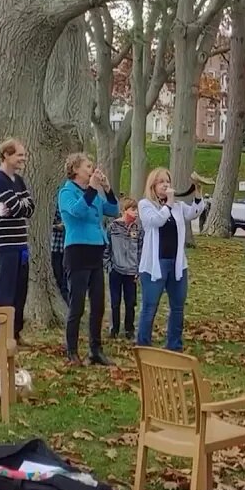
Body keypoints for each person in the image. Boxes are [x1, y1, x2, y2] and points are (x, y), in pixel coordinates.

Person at [57, 153, 120, 366]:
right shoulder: (67, 192)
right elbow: (77, 213)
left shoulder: (92, 194)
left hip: (95, 252)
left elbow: (113, 210)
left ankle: (96, 349)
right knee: (77, 305)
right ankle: (72, 350)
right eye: (87, 166)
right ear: (75, 170)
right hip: (77, 252)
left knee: (98, 304)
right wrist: (92, 189)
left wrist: (108, 189)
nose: (92, 169)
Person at [136, 168, 209, 352]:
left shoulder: (177, 206)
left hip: (177, 264)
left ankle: (174, 345)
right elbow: (156, 221)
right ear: (153, 185)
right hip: (155, 265)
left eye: (167, 181)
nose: (166, 185)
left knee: (177, 306)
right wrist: (168, 204)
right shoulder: (145, 205)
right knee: (150, 306)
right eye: (161, 182)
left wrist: (197, 193)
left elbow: (193, 212)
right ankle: (144, 345)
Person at [0, 138, 36, 344]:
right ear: (6, 155)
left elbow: (29, 208)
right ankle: (1, 333)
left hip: (21, 245)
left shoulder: (19, 181)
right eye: (19, 155)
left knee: (20, 291)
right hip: (5, 245)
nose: (23, 159)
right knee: (5, 291)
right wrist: (18, 205)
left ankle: (15, 332)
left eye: (24, 155)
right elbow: (16, 208)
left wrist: (17, 205)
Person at [107, 197, 140, 340]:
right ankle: (114, 329)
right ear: (124, 211)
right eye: (133, 209)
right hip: (116, 270)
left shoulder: (138, 229)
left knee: (130, 302)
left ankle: (129, 329)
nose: (136, 213)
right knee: (115, 301)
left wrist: (139, 269)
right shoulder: (113, 227)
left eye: (137, 209)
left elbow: (141, 249)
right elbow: (106, 247)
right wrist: (108, 265)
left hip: (132, 271)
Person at [51, 206, 69, 303]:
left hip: (67, 246)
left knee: (65, 277)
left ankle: (65, 300)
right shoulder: (53, 206)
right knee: (57, 275)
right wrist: (58, 226)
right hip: (54, 246)